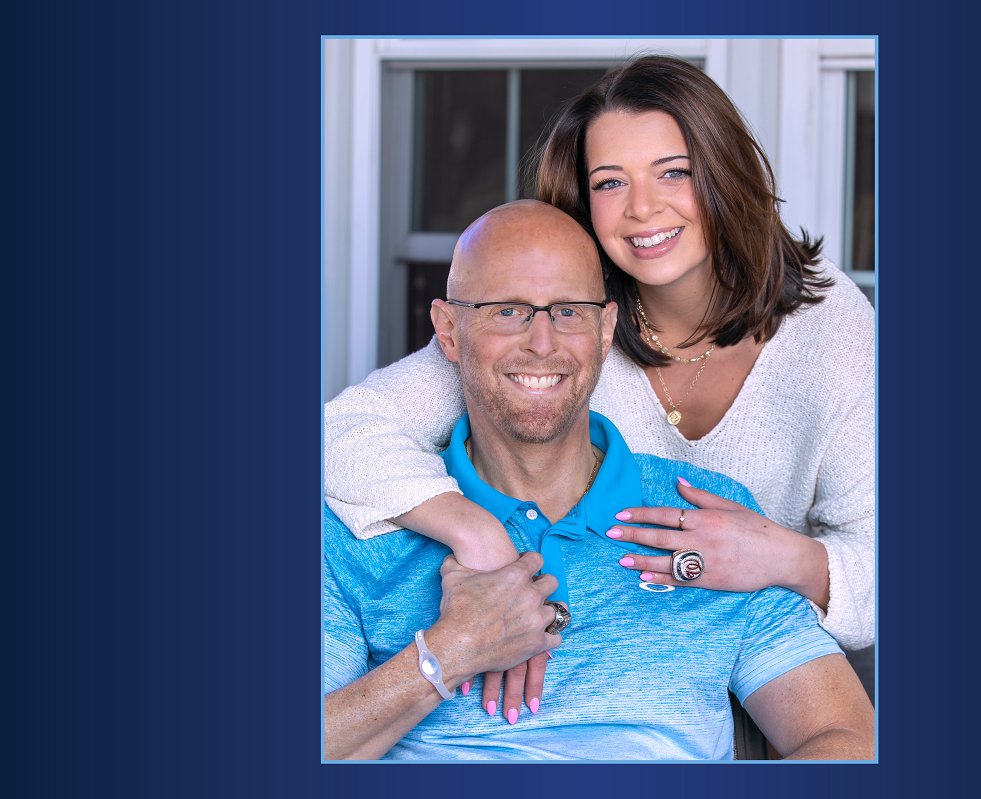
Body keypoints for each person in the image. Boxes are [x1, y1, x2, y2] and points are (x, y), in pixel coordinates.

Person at [325, 55, 874, 686]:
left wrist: (790, 559)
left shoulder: (828, 324)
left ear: (725, 173)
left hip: (765, 672)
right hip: (582, 664)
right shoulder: (561, 325)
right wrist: (477, 535)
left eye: (674, 173)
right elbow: (345, 430)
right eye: (611, 183)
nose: (643, 208)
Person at [323, 201, 875, 760]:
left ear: (605, 328)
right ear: (448, 330)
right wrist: (449, 653)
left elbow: (846, 739)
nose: (542, 342)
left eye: (568, 310)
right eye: (507, 310)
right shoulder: (364, 520)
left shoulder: (705, 520)